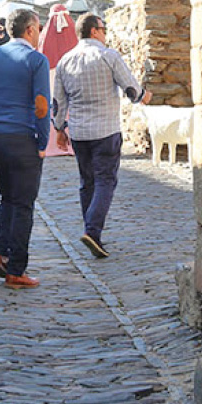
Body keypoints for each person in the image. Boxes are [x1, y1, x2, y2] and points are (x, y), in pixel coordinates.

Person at [52, 13, 148, 259]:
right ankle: (92, 232)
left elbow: (59, 101)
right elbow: (131, 89)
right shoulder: (108, 56)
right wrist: (144, 96)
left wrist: (59, 127)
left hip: (80, 132)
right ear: (94, 31)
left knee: (87, 182)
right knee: (106, 180)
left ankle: (91, 232)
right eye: (103, 29)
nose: (105, 34)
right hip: (105, 130)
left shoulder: (65, 61)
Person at [0, 9, 51, 288]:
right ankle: (16, 270)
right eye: (39, 29)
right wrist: (42, 142)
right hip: (22, 137)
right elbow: (41, 104)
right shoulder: (36, 60)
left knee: (8, 197)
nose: (40, 34)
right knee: (23, 204)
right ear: (29, 30)